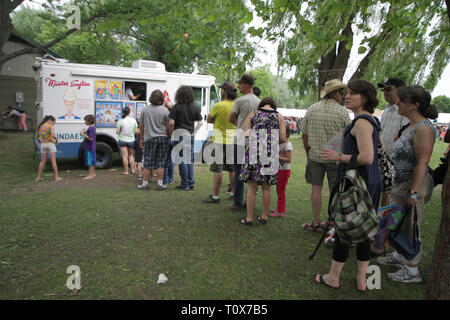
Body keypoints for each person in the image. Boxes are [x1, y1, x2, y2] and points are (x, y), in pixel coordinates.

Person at [316, 79, 382, 292]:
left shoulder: (362, 122)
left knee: (344, 228)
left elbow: (367, 157)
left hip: (356, 183)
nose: (347, 96)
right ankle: (362, 281)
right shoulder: (370, 120)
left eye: (352, 93)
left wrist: (340, 156)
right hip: (366, 181)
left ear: (365, 97)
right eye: (347, 92)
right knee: (363, 230)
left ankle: (333, 277)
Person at [377, 85, 438, 284]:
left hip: (412, 184)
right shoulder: (411, 125)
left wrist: (413, 193)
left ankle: (412, 269)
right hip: (400, 182)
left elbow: (423, 162)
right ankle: (400, 256)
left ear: (415, 105)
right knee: (397, 222)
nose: (398, 104)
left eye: (402, 101)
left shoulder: (424, 129)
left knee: (411, 224)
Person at [300, 79, 351, 232]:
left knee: (316, 189)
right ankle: (332, 222)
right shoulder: (343, 112)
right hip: (335, 158)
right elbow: (348, 136)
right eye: (341, 93)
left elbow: (304, 135)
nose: (342, 96)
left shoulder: (311, 109)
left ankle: (316, 222)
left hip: (315, 155)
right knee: (334, 191)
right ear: (335, 94)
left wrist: (308, 152)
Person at [239, 97, 287, 226]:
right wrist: (273, 142)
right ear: (273, 106)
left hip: (254, 150)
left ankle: (249, 218)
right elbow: (283, 137)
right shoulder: (280, 117)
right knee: (266, 187)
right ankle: (264, 216)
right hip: (270, 153)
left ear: (262, 105)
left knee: (251, 186)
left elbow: (246, 133)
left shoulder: (254, 113)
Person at [228, 74, 261, 211]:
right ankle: (249, 200)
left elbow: (231, 118)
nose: (238, 86)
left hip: (240, 137)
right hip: (254, 138)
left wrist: (239, 124)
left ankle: (237, 202)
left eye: (240, 84)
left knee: (238, 170)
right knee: (252, 173)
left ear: (247, 85)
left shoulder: (240, 101)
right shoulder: (260, 102)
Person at [202, 82, 237, 203]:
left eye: (222, 89)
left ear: (225, 92)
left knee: (218, 169)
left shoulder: (219, 105)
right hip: (233, 140)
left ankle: (215, 196)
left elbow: (209, 119)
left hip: (219, 140)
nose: (221, 91)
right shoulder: (237, 105)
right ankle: (233, 193)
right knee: (232, 169)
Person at [378, 77, 409, 206]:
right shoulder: (386, 109)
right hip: (383, 158)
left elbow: (404, 138)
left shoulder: (405, 111)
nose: (385, 92)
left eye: (389, 89)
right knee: (383, 190)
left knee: (393, 194)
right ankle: (382, 217)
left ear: (400, 90)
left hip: (396, 161)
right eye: (383, 89)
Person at [168, 86, 203, 191]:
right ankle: (191, 182)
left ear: (179, 94)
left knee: (182, 160)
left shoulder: (176, 107)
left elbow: (171, 123)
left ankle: (185, 184)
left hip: (180, 135)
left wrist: (171, 133)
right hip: (191, 135)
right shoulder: (194, 107)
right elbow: (201, 122)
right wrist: (194, 131)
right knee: (190, 160)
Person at [138, 90, 171, 190]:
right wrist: (168, 137)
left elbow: (141, 126)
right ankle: (160, 184)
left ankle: (145, 184)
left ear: (151, 98)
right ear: (162, 98)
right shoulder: (165, 111)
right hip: (162, 138)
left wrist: (141, 139)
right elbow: (168, 126)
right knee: (161, 162)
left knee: (148, 162)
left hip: (149, 138)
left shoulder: (145, 110)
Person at [270, 122, 293, 217]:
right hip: (279, 169)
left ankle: (281, 212)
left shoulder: (287, 145)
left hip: (284, 170)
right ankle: (280, 208)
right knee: (279, 190)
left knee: (281, 190)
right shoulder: (279, 143)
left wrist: (277, 157)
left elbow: (289, 159)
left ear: (286, 134)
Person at [35, 115, 62, 182]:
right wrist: (56, 140)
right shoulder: (50, 126)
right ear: (50, 120)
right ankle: (56, 177)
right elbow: (52, 135)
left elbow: (38, 135)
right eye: (53, 123)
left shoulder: (41, 126)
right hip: (50, 144)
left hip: (43, 145)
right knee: (53, 161)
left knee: (42, 161)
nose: (53, 124)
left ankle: (38, 177)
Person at [116, 107, 138, 175]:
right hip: (131, 140)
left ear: (123, 112)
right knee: (131, 155)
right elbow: (136, 131)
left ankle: (126, 171)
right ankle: (133, 170)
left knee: (125, 156)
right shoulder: (134, 120)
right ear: (129, 112)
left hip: (122, 140)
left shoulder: (120, 121)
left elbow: (117, 132)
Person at [80, 114, 96, 180]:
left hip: (90, 147)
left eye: (85, 121)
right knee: (93, 161)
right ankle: (93, 173)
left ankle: (90, 175)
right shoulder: (93, 127)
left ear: (89, 121)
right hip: (92, 147)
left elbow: (91, 138)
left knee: (90, 162)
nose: (85, 122)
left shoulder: (90, 128)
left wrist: (83, 134)